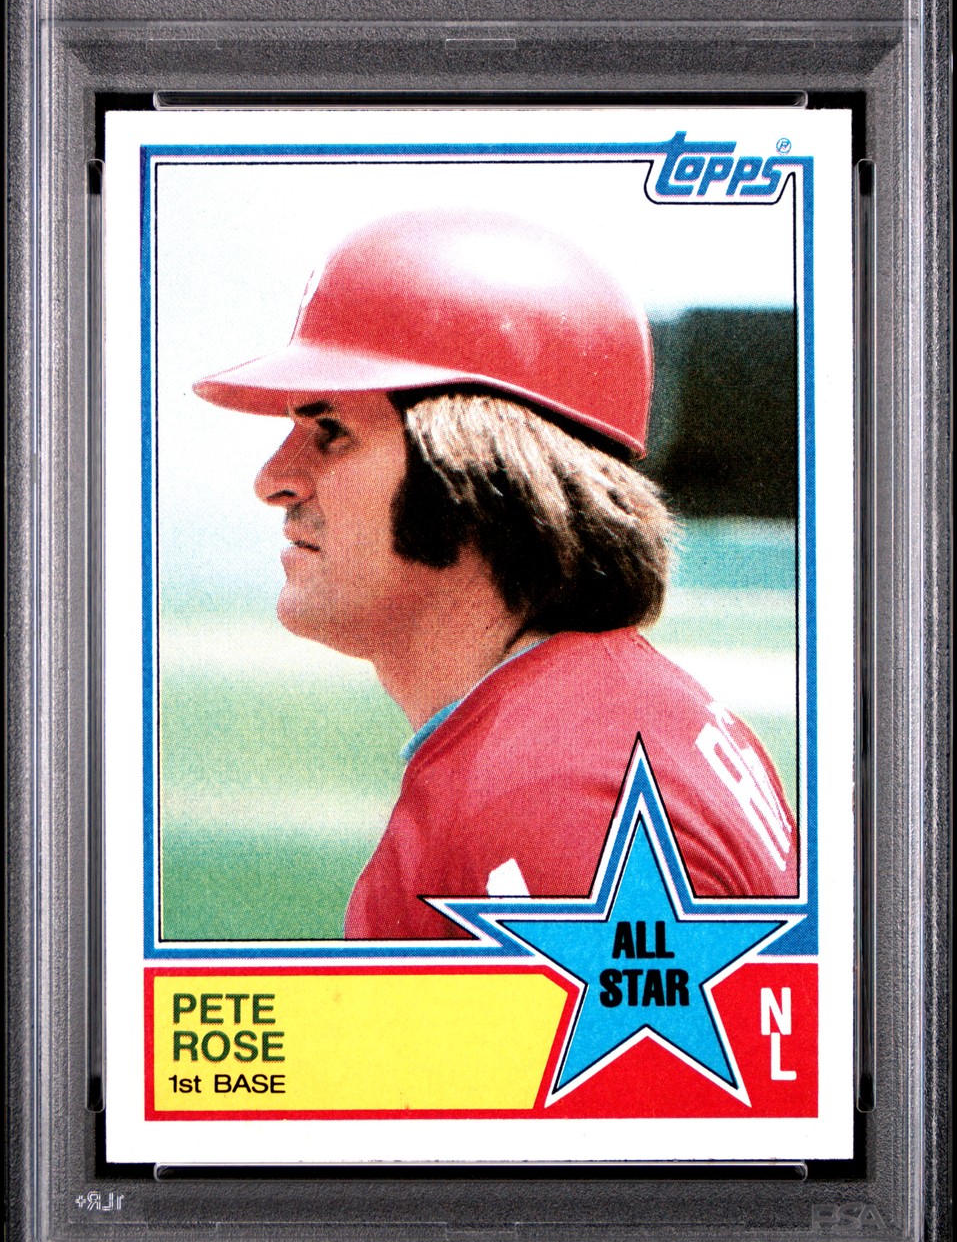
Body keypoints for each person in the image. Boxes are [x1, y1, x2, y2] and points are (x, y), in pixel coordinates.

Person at [194, 208, 797, 940]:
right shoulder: (586, 724)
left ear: (478, 473)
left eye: (331, 432)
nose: (274, 480)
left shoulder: (557, 794)